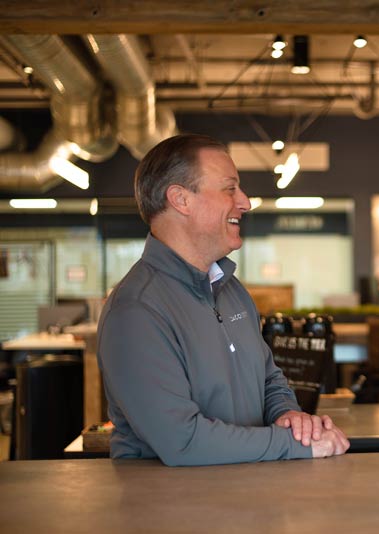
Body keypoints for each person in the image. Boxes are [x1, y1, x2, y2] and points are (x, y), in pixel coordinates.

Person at [97, 134, 349, 466]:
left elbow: (269, 379)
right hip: (169, 512)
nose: (245, 202)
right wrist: (297, 445)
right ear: (181, 200)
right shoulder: (136, 310)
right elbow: (182, 441)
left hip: (246, 501)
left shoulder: (232, 291)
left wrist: (289, 415)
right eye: (230, 189)